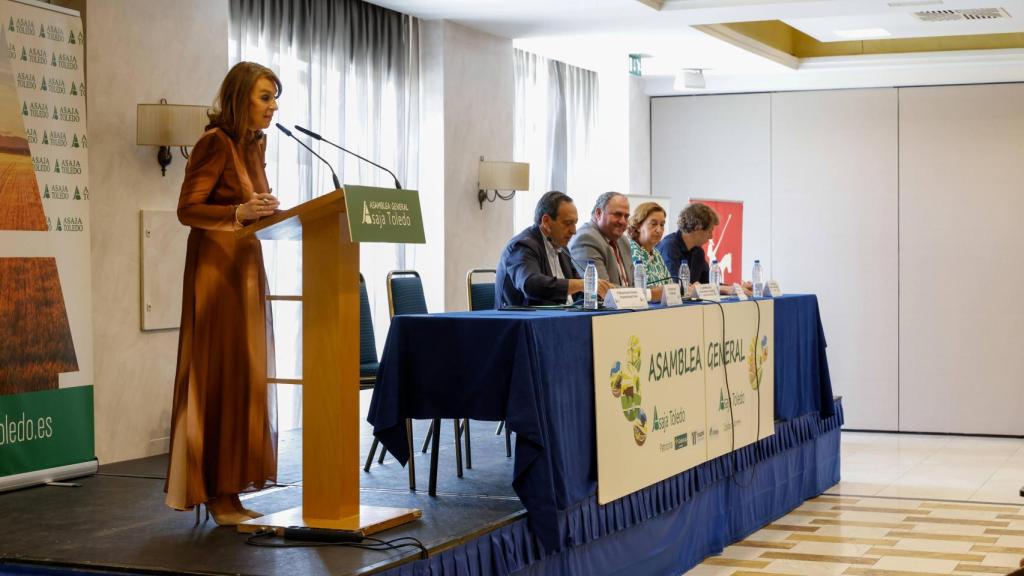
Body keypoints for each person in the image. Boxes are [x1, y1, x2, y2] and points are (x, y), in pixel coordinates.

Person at [165, 62, 282, 526]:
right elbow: (187, 209)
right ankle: (213, 491)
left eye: (275, 98)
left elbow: (253, 207)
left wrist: (268, 210)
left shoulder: (255, 146)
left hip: (247, 270)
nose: (273, 107)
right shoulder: (213, 143)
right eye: (265, 97)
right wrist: (239, 211)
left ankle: (231, 490)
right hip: (216, 275)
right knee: (217, 377)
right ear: (240, 97)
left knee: (244, 380)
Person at [496, 191, 611, 308]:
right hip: (525, 322)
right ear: (546, 221)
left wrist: (599, 293)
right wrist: (584, 284)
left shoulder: (561, 247)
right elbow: (531, 285)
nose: (574, 231)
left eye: (575, 223)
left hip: (561, 318)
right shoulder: (523, 246)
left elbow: (578, 291)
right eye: (567, 223)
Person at [570, 192, 662, 301]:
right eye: (617, 215)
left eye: (626, 216)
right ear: (598, 213)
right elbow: (603, 291)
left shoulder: (623, 240)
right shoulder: (586, 238)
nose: (623, 221)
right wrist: (650, 294)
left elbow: (633, 286)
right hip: (600, 315)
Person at [657, 202, 750, 296]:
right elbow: (676, 287)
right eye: (709, 231)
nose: (711, 237)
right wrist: (725, 289)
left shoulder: (698, 252)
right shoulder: (669, 247)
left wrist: (736, 287)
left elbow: (709, 283)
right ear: (697, 228)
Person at [627, 202, 672, 288]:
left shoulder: (655, 252)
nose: (659, 230)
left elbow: (669, 285)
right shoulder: (632, 249)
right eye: (654, 224)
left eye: (662, 225)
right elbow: (643, 289)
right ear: (638, 226)